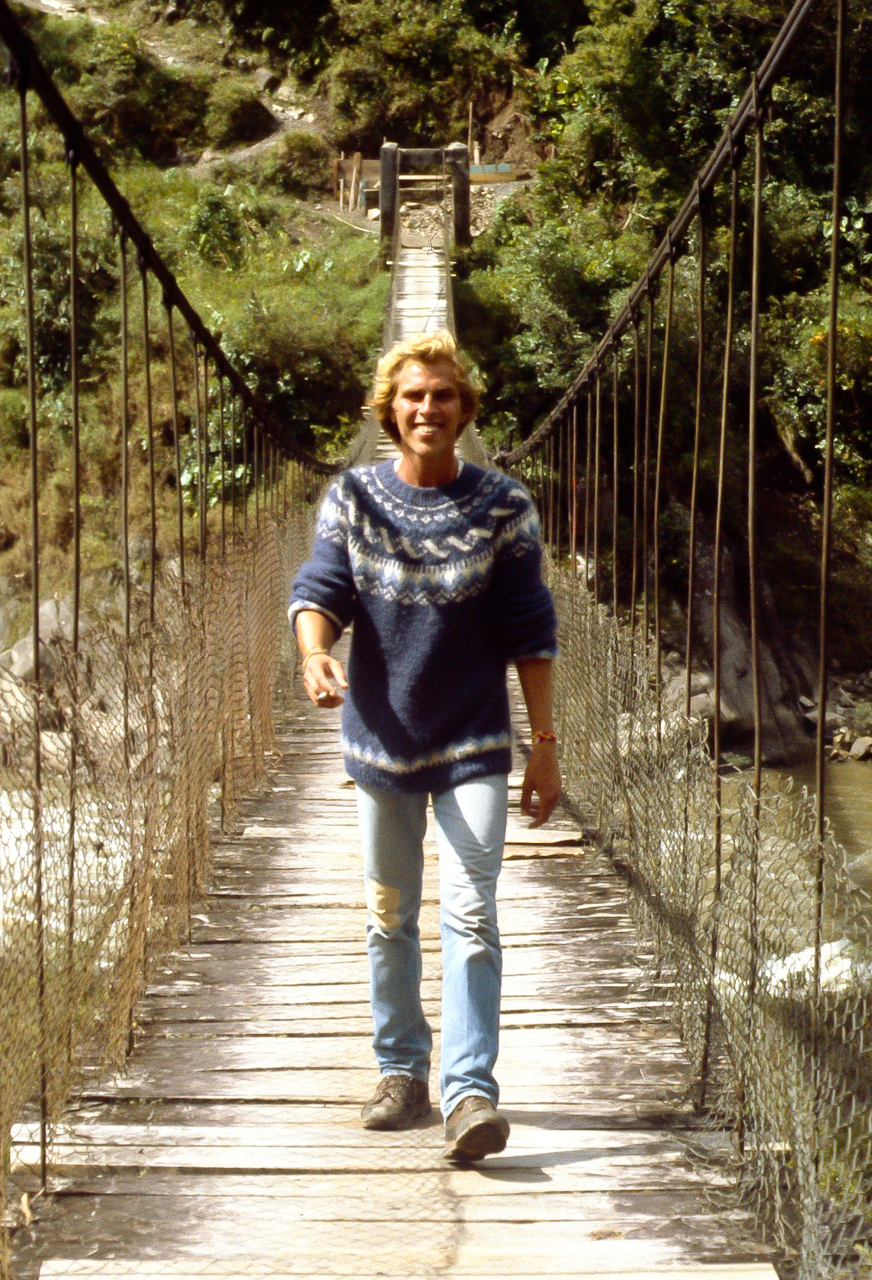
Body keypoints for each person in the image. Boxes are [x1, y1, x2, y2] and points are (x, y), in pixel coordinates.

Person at [287, 331, 561, 1162]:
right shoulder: (353, 498)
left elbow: (530, 629)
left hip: (475, 740)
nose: (427, 408)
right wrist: (313, 651)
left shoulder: (504, 507)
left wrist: (544, 741)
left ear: (465, 409)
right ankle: (401, 1072)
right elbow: (318, 590)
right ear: (388, 411)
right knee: (389, 918)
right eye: (412, 396)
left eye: (443, 395)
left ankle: (470, 1091)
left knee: (472, 914)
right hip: (382, 742)